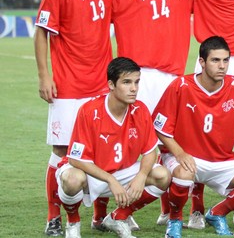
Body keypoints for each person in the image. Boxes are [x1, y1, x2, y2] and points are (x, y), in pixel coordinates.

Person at [109, 0, 196, 229]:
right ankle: (109, 211)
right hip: (138, 77)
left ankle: (167, 209)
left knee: (174, 143)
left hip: (172, 76)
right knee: (132, 145)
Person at [34, 0, 115, 236]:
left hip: (100, 86)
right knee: (61, 150)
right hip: (67, 85)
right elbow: (42, 32)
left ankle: (98, 216)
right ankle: (53, 216)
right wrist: (45, 75)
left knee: (101, 151)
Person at [153, 36, 234, 237]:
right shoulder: (180, 86)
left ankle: (217, 214)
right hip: (188, 159)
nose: (222, 66)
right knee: (183, 174)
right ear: (202, 62)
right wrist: (180, 154)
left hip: (221, 160)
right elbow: (160, 127)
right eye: (215, 60)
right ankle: (175, 221)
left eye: (225, 60)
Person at [56, 57, 171, 238]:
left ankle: (118, 217)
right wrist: (111, 180)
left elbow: (150, 152)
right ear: (111, 84)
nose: (134, 88)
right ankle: (73, 222)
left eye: (136, 82)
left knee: (162, 176)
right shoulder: (89, 110)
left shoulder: (140, 110)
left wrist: (141, 177)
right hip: (89, 173)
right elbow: (75, 158)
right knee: (72, 179)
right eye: (126, 82)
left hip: (121, 172)